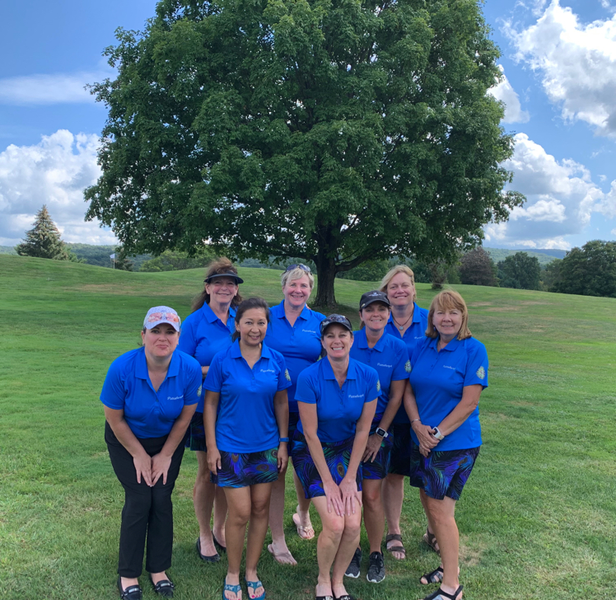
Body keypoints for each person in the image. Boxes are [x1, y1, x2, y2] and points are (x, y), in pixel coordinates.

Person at [101, 306, 202, 600]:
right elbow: (115, 419)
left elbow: (184, 418)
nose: (162, 337)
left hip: (168, 440)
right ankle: (128, 574)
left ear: (178, 337)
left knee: (161, 498)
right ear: (143, 334)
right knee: (140, 498)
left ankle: (159, 569)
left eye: (169, 331)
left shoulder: (190, 368)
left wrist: (166, 454)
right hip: (126, 439)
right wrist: (139, 454)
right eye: (155, 330)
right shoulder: (122, 368)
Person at [203, 297, 291, 600]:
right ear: (237, 324)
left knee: (261, 509)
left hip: (266, 447)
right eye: (249, 322)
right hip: (230, 447)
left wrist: (283, 443)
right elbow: (210, 403)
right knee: (240, 512)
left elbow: (282, 402)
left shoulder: (276, 359)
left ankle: (251, 571)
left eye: (261, 322)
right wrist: (212, 446)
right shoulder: (222, 359)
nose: (255, 328)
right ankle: (232, 573)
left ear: (268, 325)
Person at [405, 290, 488, 600]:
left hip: (455, 444)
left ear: (463, 316)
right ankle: (446, 566)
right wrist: (417, 426)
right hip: (422, 438)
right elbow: (408, 390)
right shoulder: (421, 346)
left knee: (441, 511)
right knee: (429, 502)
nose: (447, 318)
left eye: (454, 312)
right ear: (432, 318)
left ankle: (452, 587)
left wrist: (436, 434)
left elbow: (470, 402)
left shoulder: (473, 349)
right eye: (440, 312)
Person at [292, 314, 378, 600]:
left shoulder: (368, 376)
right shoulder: (309, 377)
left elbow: (364, 429)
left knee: (352, 525)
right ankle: (322, 579)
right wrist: (329, 482)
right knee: (335, 524)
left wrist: (350, 478)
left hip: (346, 450)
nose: (336, 340)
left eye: (342, 334)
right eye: (330, 335)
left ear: (352, 339)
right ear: (322, 342)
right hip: (312, 449)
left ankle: (338, 581)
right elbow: (310, 433)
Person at [178, 258, 243, 562]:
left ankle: (219, 528)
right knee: (207, 471)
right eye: (218, 283)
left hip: (236, 409)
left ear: (236, 290)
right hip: (204, 408)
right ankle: (204, 534)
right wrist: (217, 369)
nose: (224, 288)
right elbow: (181, 366)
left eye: (230, 283)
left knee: (226, 470)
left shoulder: (240, 319)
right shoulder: (194, 323)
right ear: (207, 288)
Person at [344, 291, 410, 584]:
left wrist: (379, 434)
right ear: (361, 314)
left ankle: (375, 553)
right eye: (370, 310)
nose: (376, 314)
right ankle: (352, 548)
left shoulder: (398, 347)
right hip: (346, 431)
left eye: (382, 310)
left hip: (377, 431)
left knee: (371, 495)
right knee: (350, 493)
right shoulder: (348, 341)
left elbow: (396, 396)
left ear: (389, 314)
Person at [264, 263, 326, 565]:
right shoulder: (267, 317)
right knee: (277, 470)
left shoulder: (319, 321)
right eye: (293, 284)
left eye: (304, 286)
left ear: (310, 290)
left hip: (307, 409)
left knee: (306, 468)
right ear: (283, 287)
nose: (298, 290)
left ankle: (303, 514)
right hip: (270, 408)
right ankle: (277, 540)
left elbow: (331, 359)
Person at [378, 265, 430, 559]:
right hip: (390, 414)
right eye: (393, 286)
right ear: (386, 292)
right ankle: (394, 531)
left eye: (404, 285)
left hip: (426, 412)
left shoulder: (430, 320)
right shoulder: (378, 320)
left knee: (427, 476)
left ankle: (434, 530)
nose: (399, 291)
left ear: (413, 288)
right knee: (394, 474)